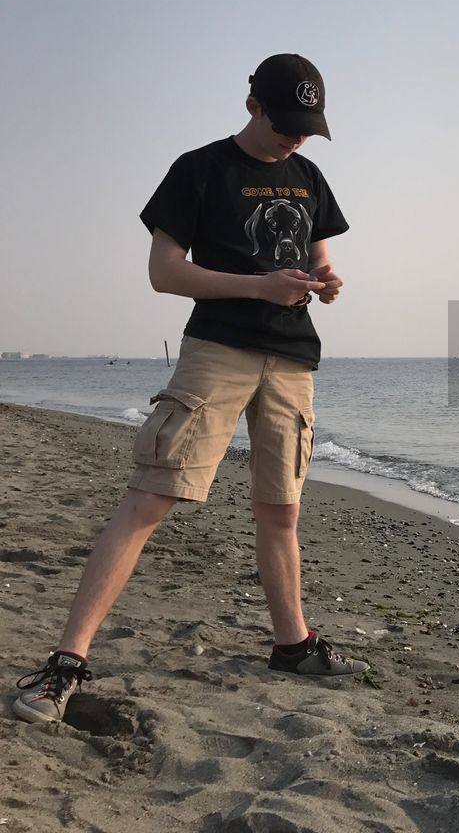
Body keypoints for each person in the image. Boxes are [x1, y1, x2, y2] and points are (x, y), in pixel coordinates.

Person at [13, 54, 368, 724]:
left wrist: (326, 279)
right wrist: (256, 285)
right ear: (252, 106)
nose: (295, 138)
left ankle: (292, 644)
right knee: (150, 498)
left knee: (281, 510)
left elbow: (319, 254)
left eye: (306, 127)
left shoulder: (309, 176)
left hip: (291, 357)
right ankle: (67, 661)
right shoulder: (200, 169)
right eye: (286, 123)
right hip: (219, 351)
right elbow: (164, 272)